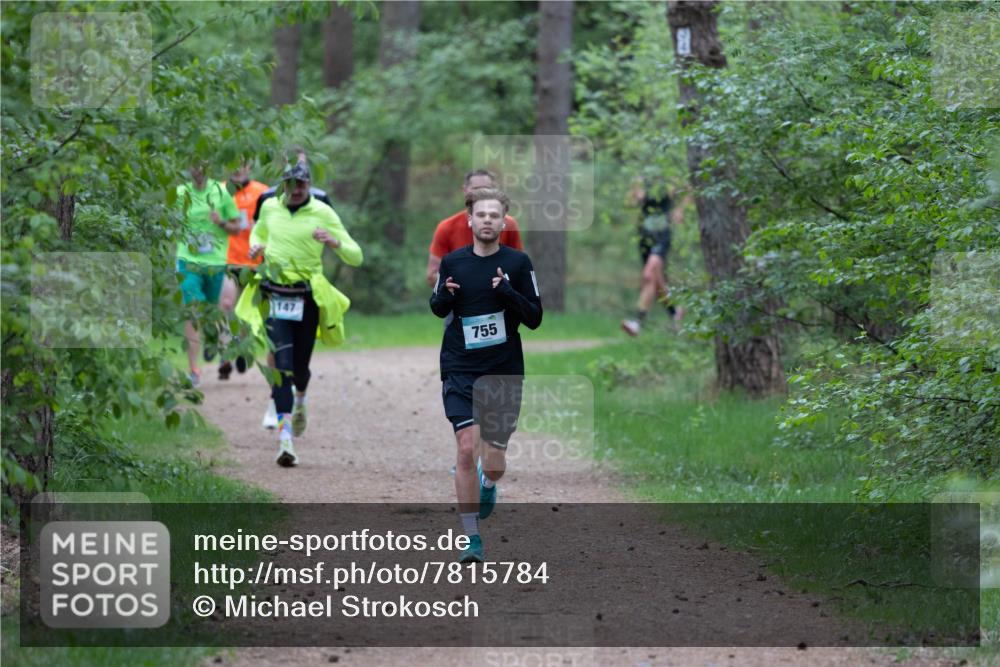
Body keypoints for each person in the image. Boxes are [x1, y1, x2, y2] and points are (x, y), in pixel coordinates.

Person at [430, 187, 542, 563]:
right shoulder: (453, 262)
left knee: (493, 460)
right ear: (470, 220)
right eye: (481, 215)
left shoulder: (518, 263)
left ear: (504, 222)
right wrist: (444, 297)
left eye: (495, 215)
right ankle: (471, 538)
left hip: (503, 371)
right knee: (466, 449)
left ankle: (489, 481)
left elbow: (535, 318)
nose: (488, 220)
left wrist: (508, 292)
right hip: (460, 366)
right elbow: (436, 306)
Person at [236, 162, 362, 467]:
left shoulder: (323, 211)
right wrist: (256, 247)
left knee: (300, 368)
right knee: (281, 367)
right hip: (275, 292)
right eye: (290, 185)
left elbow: (355, 255)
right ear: (283, 185)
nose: (295, 190)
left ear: (308, 186)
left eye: (301, 185)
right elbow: (258, 233)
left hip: (307, 296)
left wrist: (333, 242)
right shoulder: (269, 207)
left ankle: (301, 398)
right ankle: (285, 439)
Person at [176, 162, 241, 386]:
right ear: (189, 167)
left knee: (215, 311)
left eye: (202, 165)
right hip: (188, 262)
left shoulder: (221, 192)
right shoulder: (180, 193)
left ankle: (217, 341)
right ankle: (194, 370)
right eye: (194, 165)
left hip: (215, 263)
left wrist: (220, 222)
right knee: (193, 311)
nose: (198, 170)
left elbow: (237, 227)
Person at [426, 169, 524, 288]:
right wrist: (464, 281)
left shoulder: (509, 225)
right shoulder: (446, 227)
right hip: (459, 295)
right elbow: (432, 276)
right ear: (465, 190)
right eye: (476, 189)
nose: (481, 193)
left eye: (487, 189)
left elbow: (519, 268)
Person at [217, 160, 269, 380]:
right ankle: (225, 355)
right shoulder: (219, 190)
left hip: (254, 263)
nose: (238, 168)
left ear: (249, 166)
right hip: (227, 261)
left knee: (246, 312)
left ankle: (241, 346)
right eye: (234, 163)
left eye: (243, 163)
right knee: (226, 306)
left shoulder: (263, 192)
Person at [621, 181, 686, 337]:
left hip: (662, 234)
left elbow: (689, 187)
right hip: (645, 235)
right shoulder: (642, 176)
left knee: (649, 274)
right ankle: (674, 312)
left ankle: (637, 322)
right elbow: (629, 203)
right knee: (656, 281)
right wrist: (635, 194)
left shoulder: (668, 174)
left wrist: (680, 208)